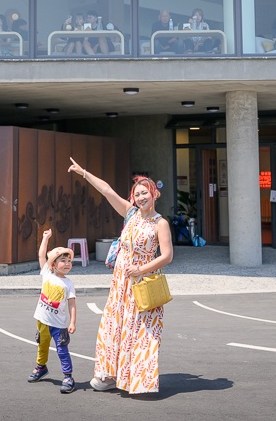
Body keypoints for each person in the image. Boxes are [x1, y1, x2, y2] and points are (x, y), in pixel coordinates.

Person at [67, 157, 173, 395]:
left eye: (145, 193)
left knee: (140, 331)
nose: (141, 197)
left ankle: (138, 380)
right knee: (114, 326)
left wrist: (140, 269)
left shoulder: (160, 223)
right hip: (120, 284)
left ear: (155, 194)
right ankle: (109, 374)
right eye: (137, 194)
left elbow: (167, 256)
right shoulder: (131, 214)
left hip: (142, 283)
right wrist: (84, 172)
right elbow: (106, 190)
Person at [28, 228, 77, 394]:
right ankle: (41, 367)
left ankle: (68, 377)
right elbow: (42, 255)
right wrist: (45, 238)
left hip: (58, 325)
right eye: (63, 261)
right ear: (53, 264)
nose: (67, 264)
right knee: (42, 346)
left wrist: (72, 322)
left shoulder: (68, 284)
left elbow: (72, 304)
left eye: (69, 261)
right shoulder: (47, 274)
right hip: (42, 320)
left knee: (62, 350)